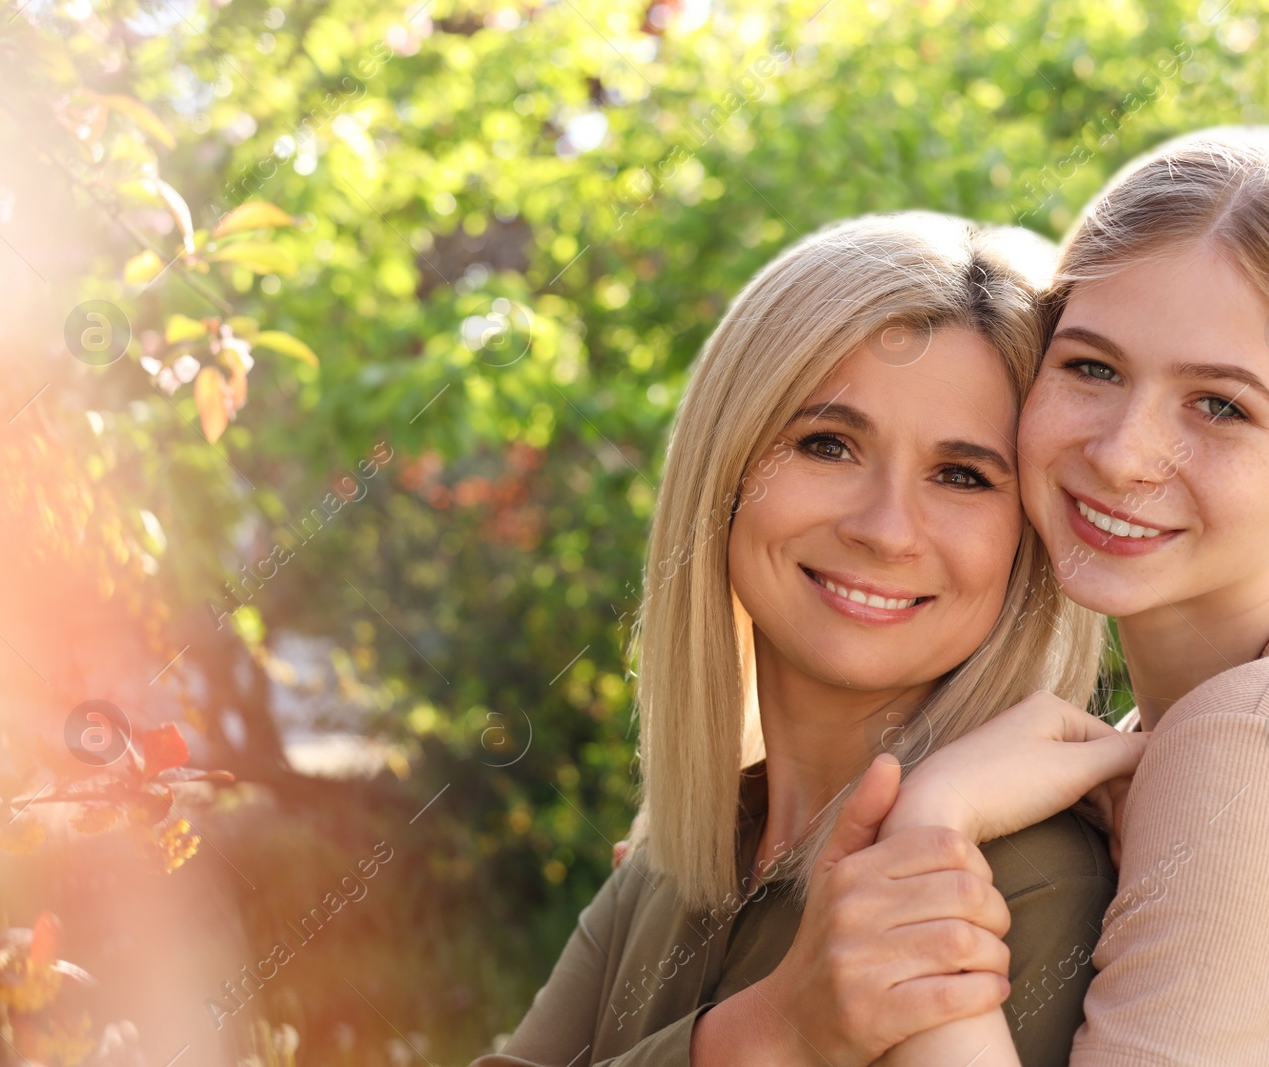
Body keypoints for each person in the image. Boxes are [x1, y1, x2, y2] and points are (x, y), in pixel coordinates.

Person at [470, 212, 1146, 1067]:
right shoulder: (678, 860)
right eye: (828, 444)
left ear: (1031, 536)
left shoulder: (1023, 883)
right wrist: (769, 1033)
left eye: (962, 475)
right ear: (725, 467)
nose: (886, 528)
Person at [887, 127, 1269, 1066]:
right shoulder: (1234, 716)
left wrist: (924, 840)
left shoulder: (1267, 747)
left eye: (1220, 405)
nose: (1124, 452)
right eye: (1092, 366)